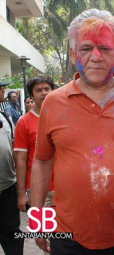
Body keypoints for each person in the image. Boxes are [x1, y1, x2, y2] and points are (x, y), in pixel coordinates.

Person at [30, 8, 114, 255]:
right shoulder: (53, 102)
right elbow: (42, 162)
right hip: (67, 237)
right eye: (86, 48)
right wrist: (39, 222)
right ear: (72, 53)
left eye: (106, 48)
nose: (96, 57)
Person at [14, 75, 55, 213]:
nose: (43, 92)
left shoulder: (63, 118)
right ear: (31, 95)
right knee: (41, 230)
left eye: (47, 89)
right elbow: (20, 159)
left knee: (64, 233)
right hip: (37, 189)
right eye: (38, 90)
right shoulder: (23, 122)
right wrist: (21, 193)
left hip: (64, 187)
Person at [0, 80, 24, 255]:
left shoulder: (5, 117)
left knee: (12, 234)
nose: (3, 90)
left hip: (8, 187)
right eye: (0, 88)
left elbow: (14, 148)